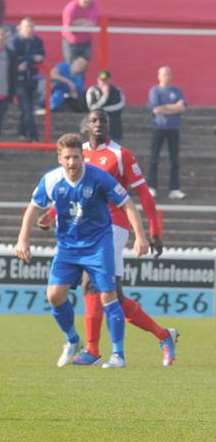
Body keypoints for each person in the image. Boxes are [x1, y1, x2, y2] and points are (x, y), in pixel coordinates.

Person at [38, 110, 178, 367]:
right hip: (83, 229)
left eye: (103, 120)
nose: (99, 124)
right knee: (112, 295)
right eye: (94, 120)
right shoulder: (77, 153)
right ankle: (163, 335)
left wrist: (152, 231)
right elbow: (70, 193)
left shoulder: (120, 154)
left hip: (112, 226)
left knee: (94, 285)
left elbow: (143, 195)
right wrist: (51, 213)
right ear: (86, 125)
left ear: (109, 125)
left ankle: (93, 349)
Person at [15, 133, 149, 369]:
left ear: (82, 157)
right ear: (60, 158)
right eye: (67, 158)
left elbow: (127, 203)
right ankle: (72, 340)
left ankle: (118, 355)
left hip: (98, 244)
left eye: (76, 157)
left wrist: (140, 236)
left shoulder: (99, 178)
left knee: (108, 295)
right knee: (54, 296)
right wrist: (22, 240)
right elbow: (34, 208)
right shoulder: (51, 180)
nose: (71, 162)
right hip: (68, 247)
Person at [147, 66, 187, 200]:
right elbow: (156, 109)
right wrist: (174, 107)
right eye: (164, 74)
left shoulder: (177, 90)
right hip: (159, 127)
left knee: (174, 159)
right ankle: (151, 186)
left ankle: (174, 188)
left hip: (173, 128)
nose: (167, 76)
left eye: (169, 74)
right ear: (159, 76)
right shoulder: (155, 91)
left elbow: (182, 108)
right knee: (154, 158)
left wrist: (166, 107)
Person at [11, 17, 44, 141]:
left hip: (33, 79)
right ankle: (34, 136)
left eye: (31, 27)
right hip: (18, 80)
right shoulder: (14, 41)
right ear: (20, 28)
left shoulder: (38, 41)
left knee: (27, 108)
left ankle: (22, 132)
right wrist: (31, 58)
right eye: (27, 26)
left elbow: (41, 56)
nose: (29, 29)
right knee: (27, 107)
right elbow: (14, 59)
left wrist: (26, 60)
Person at [86, 70, 126, 140]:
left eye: (106, 80)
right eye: (102, 80)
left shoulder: (117, 90)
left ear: (109, 80)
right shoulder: (92, 90)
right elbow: (91, 107)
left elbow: (120, 105)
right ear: (98, 80)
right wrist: (105, 95)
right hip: (97, 123)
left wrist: (103, 109)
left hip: (114, 122)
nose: (103, 82)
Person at [0, 29, 17, 136]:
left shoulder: (10, 54)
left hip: (4, 95)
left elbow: (13, 75)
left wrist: (12, 94)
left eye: (3, 35)